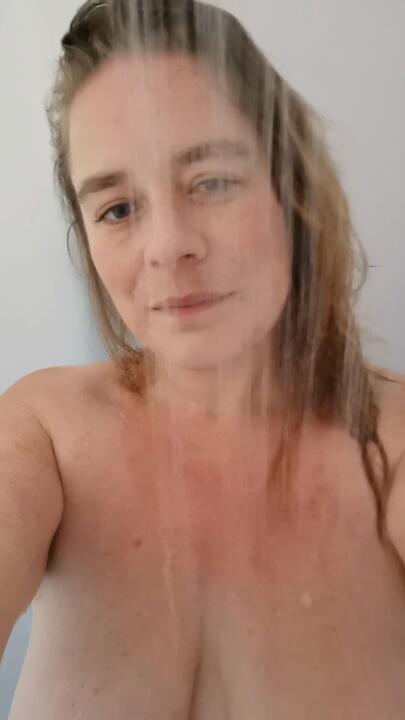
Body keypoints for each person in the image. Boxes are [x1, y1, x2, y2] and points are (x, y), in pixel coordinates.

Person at [1, 0, 405, 717]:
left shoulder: (393, 449)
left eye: (211, 181)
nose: (168, 247)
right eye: (117, 209)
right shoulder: (45, 431)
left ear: (292, 189)